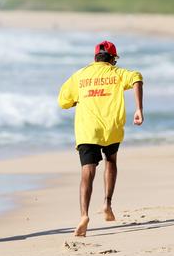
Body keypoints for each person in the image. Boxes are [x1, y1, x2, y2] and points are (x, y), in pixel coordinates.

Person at [58, 40, 144, 237]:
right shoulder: (117, 73)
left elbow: (63, 101)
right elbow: (137, 78)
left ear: (95, 58)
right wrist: (139, 108)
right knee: (111, 161)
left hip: (87, 130)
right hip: (111, 128)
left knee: (87, 172)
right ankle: (106, 203)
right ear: (112, 59)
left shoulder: (80, 75)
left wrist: (78, 101)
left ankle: (83, 216)